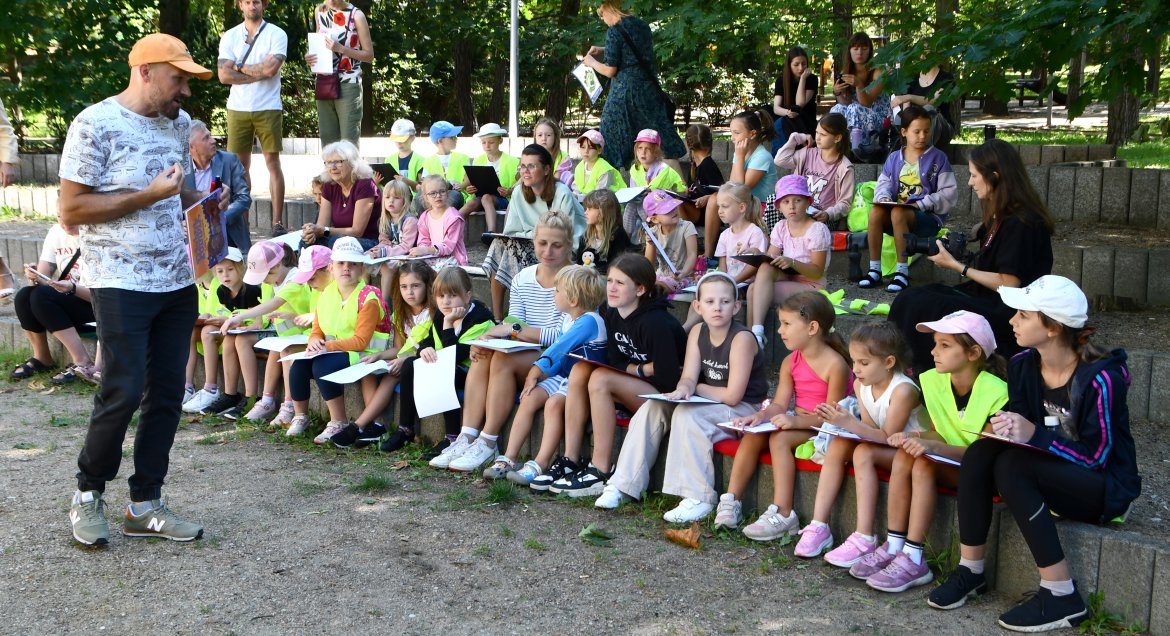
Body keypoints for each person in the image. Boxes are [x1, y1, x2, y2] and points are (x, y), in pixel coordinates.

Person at [58, 33, 221, 545]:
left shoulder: (176, 126)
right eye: (178, 80)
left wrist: (207, 209)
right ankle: (87, 495)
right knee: (124, 389)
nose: (186, 93)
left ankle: (145, 504)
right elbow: (72, 210)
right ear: (146, 71)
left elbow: (174, 193)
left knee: (170, 393)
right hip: (120, 281)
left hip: (176, 281)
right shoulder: (94, 124)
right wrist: (149, 195)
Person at [930, 277, 1140, 633]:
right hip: (1048, 470)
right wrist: (1004, 426)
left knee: (1013, 465)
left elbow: (1098, 457)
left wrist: (1036, 435)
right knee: (981, 452)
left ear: (1054, 327)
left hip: (1103, 488)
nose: (1012, 321)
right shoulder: (1024, 362)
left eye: (1023, 316)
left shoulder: (1102, 379)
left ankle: (1061, 594)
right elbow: (1022, 420)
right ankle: (971, 571)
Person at [851, 311, 1007, 593]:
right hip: (949, 460)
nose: (933, 351)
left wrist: (931, 445)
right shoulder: (934, 380)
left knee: (922, 464)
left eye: (945, 345)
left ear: (973, 353)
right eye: (935, 343)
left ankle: (913, 557)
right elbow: (938, 430)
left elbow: (984, 455)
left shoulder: (997, 391)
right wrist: (914, 436)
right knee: (906, 453)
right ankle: (895, 546)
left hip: (981, 471)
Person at [595, 271, 767, 515]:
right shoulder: (697, 332)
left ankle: (699, 497)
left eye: (725, 302)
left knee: (688, 416)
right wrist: (683, 390)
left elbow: (733, 396)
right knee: (653, 407)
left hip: (744, 408)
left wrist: (695, 388)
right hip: (708, 401)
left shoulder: (742, 339)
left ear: (737, 306)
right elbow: (687, 376)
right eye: (709, 302)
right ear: (697, 306)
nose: (717, 308)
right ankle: (624, 484)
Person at [889, 139, 1054, 371]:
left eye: (974, 175)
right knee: (911, 297)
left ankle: (916, 372)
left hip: (1010, 308)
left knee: (926, 305)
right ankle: (900, 368)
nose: (970, 182)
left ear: (995, 176)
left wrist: (958, 267)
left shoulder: (1022, 223)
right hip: (988, 297)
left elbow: (1010, 283)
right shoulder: (1002, 215)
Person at [434, 210, 576, 471]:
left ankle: (488, 442)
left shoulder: (575, 280)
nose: (548, 251)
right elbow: (511, 326)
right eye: (543, 243)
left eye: (557, 245)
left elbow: (563, 337)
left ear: (569, 245)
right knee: (483, 352)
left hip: (556, 362)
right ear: (534, 241)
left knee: (501, 358)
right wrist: (494, 336)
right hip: (525, 352)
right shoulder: (523, 277)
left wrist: (515, 331)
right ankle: (467, 437)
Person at [548, 254, 686, 497]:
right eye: (610, 280)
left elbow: (668, 380)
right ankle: (571, 458)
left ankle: (600, 469)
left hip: (664, 400)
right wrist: (640, 369)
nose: (611, 288)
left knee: (601, 378)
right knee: (582, 369)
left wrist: (632, 374)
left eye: (620, 283)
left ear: (641, 289)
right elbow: (615, 360)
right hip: (638, 386)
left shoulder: (656, 323)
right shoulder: (610, 313)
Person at [718, 291, 851, 533]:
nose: (780, 330)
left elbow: (833, 418)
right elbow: (779, 404)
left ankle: (784, 512)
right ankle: (731, 500)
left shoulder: (835, 365)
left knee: (779, 439)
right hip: (800, 421)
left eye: (787, 324)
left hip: (823, 427)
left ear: (812, 327)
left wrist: (795, 421)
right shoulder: (791, 361)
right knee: (754, 433)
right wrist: (759, 417)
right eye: (781, 323)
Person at [462, 265, 607, 478]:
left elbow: (560, 348)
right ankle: (509, 458)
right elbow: (563, 358)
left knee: (553, 405)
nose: (554, 295)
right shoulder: (570, 319)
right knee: (529, 397)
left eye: (558, 291)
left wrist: (536, 370)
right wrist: (543, 376)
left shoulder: (589, 321)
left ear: (573, 300)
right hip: (563, 376)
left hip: (579, 383)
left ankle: (540, 463)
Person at [806, 322, 921, 563]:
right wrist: (839, 420)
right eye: (854, 361)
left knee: (863, 453)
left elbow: (889, 437)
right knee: (838, 444)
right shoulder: (861, 385)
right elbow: (869, 427)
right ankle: (818, 524)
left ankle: (865, 536)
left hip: (910, 453)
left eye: (864, 363)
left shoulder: (903, 391)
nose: (856, 369)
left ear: (889, 363)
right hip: (886, 446)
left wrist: (848, 422)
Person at [286, 237, 389, 444]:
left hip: (364, 353)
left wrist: (325, 347)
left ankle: (338, 421)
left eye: (352, 264)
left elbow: (361, 341)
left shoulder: (368, 297)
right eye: (341, 263)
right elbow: (317, 329)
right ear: (331, 268)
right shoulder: (327, 294)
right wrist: (315, 341)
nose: (346, 268)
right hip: (337, 350)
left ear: (362, 268)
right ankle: (300, 416)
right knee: (298, 366)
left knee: (322, 366)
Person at [334, 261, 439, 449]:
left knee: (392, 375)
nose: (410, 292)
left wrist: (404, 358)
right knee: (373, 367)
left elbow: (432, 345)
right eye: (404, 287)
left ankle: (359, 425)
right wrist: (380, 355)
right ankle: (372, 426)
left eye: (416, 286)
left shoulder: (433, 313)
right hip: (406, 360)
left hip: (428, 359)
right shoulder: (401, 313)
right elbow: (399, 348)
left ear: (427, 286)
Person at [858, 105, 957, 293]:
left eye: (926, 131)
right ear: (904, 132)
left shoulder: (939, 158)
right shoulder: (894, 158)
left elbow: (949, 193)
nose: (922, 136)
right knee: (877, 210)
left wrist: (921, 203)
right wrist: (884, 197)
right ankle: (874, 270)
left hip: (926, 219)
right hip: (899, 215)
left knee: (898, 211)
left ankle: (902, 272)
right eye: (916, 131)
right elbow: (883, 184)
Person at [481, 143, 585, 320]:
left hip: (564, 248)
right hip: (531, 243)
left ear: (546, 170)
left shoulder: (561, 193)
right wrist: (533, 237)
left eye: (531, 166)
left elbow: (567, 235)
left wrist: (535, 237)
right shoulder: (518, 193)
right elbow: (511, 231)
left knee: (510, 249)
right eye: (522, 166)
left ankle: (512, 316)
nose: (525, 171)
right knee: (499, 245)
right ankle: (497, 318)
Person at [401, 267, 495, 461]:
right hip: (446, 366)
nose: (445, 301)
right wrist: (423, 350)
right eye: (441, 296)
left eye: (452, 295)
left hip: (473, 374)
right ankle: (405, 429)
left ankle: (452, 437)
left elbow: (454, 356)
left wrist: (448, 323)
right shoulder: (441, 313)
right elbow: (429, 340)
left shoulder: (481, 320)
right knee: (410, 364)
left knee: (447, 372)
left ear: (467, 296)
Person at [581, 0, 686, 170]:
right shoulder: (642, 25)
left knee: (609, 134)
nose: (602, 18)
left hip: (624, 94)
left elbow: (610, 70)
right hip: (648, 90)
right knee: (661, 135)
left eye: (602, 14)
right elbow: (633, 51)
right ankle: (681, 187)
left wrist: (591, 61)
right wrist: (604, 49)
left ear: (610, 9)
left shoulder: (614, 31)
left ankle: (609, 184)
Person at [220, 241, 310, 423]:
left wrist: (238, 317)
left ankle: (288, 405)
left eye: (265, 275)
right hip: (283, 335)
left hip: (305, 334)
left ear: (277, 265)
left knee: (284, 349)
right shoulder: (270, 281)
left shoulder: (296, 279)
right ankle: (265, 400)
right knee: (271, 346)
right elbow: (265, 309)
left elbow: (274, 303)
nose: (263, 280)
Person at [217, 0, 287, 235]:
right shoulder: (230, 35)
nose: (252, 6)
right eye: (247, 2)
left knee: (272, 164)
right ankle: (243, 223)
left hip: (268, 106)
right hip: (238, 108)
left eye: (256, 1)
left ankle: (277, 224)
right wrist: (255, 70)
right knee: (239, 167)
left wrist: (238, 66)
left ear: (264, 4)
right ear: (239, 5)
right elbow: (223, 76)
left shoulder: (276, 33)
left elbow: (271, 70)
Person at [747, 175, 832, 349]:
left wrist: (792, 262)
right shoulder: (781, 227)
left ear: (808, 202)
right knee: (760, 274)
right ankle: (754, 334)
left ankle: (754, 335)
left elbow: (817, 271)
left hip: (811, 285)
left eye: (797, 200)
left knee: (753, 290)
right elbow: (770, 259)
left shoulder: (817, 229)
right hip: (788, 279)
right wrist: (758, 253)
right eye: (785, 202)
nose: (791, 206)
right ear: (779, 206)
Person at [11, 221, 98, 384]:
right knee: (24, 295)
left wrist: (72, 288)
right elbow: (43, 278)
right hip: (70, 295)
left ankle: (83, 362)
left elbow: (102, 296)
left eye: (71, 217)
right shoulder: (56, 232)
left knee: (41, 296)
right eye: (60, 216)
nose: (65, 223)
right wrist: (34, 276)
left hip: (99, 303)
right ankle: (43, 358)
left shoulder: (99, 234)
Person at [702, 109, 778, 260]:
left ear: (752, 134)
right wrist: (739, 155)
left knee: (726, 203)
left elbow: (740, 189)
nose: (732, 138)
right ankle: (708, 255)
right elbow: (731, 185)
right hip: (744, 202)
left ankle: (730, 256)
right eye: (732, 133)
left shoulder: (762, 156)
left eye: (736, 133)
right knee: (713, 200)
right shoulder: (739, 152)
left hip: (762, 206)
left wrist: (741, 156)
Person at [306, 0, 373, 145]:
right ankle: (330, 168)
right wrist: (310, 56)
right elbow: (319, 43)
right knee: (328, 141)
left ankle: (350, 169)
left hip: (348, 83)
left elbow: (369, 56)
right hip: (324, 81)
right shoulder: (320, 11)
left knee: (348, 143)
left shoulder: (357, 15)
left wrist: (341, 49)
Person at [773, 112, 855, 225]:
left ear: (837, 138)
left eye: (823, 135)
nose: (818, 137)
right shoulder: (808, 153)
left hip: (821, 217)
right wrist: (795, 138)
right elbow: (780, 160)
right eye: (817, 132)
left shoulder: (844, 167)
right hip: (798, 209)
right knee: (774, 201)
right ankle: (774, 240)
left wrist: (828, 214)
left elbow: (845, 203)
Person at [186, 120, 252, 253]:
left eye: (210, 135)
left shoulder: (229, 160)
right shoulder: (181, 169)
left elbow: (244, 198)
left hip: (230, 236)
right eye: (206, 138)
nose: (213, 140)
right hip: (194, 240)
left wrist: (220, 219)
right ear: (191, 147)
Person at [302, 140, 379, 250]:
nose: (332, 167)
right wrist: (312, 232)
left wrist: (323, 230)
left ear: (352, 163)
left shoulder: (365, 185)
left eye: (338, 162)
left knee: (337, 242)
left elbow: (357, 231)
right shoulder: (329, 186)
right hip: (339, 239)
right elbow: (321, 226)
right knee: (306, 243)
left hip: (370, 242)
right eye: (328, 162)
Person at [830, 32, 891, 153]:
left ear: (869, 51)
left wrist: (859, 84)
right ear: (850, 51)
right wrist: (838, 93)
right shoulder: (847, 71)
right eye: (855, 48)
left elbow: (866, 103)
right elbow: (845, 103)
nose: (859, 52)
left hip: (879, 119)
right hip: (856, 116)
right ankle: (837, 148)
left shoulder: (878, 71)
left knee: (854, 108)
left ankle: (856, 150)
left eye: (864, 48)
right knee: (837, 109)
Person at [459, 123, 518, 233]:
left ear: (500, 141)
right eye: (483, 142)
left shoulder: (513, 161)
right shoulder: (478, 160)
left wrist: (509, 191)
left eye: (491, 142)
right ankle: (449, 225)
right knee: (472, 203)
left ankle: (491, 232)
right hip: (481, 197)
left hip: (503, 199)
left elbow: (521, 184)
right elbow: (472, 180)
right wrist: (470, 189)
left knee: (486, 197)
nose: (487, 146)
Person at [891, 59, 956, 149]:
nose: (922, 56)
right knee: (901, 119)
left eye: (926, 51)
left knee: (928, 109)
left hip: (941, 129)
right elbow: (907, 111)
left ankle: (927, 154)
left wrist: (909, 97)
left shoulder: (946, 77)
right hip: (916, 131)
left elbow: (935, 100)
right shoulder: (912, 79)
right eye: (920, 52)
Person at [643, 189, 698, 293]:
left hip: (683, 278)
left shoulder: (686, 226)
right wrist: (650, 244)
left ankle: (656, 291)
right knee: (640, 282)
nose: (673, 211)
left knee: (661, 287)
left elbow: (692, 254)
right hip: (661, 275)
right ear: (655, 219)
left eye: (673, 206)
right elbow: (649, 264)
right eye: (667, 211)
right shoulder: (653, 232)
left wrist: (684, 272)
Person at [411, 174, 467, 267]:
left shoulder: (454, 217)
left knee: (438, 270)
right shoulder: (424, 217)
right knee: (413, 267)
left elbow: (449, 247)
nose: (438, 196)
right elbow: (423, 240)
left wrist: (428, 250)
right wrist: (421, 250)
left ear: (447, 193)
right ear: (425, 197)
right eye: (433, 193)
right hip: (433, 256)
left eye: (442, 191)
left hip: (452, 258)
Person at [772, 46, 819, 153]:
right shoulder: (781, 81)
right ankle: (780, 152)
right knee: (769, 111)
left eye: (804, 64)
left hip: (806, 120)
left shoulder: (812, 79)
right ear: (789, 65)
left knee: (788, 120)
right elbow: (776, 108)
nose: (801, 68)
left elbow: (799, 103)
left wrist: (802, 79)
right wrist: (787, 112)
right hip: (787, 118)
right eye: (796, 64)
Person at [577, 189, 631, 273]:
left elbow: (617, 267)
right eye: (586, 208)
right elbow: (579, 262)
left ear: (603, 211)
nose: (585, 212)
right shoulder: (586, 236)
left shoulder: (618, 236)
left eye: (590, 209)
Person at [420, 120, 470, 211]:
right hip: (435, 196)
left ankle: (442, 221)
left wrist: (462, 185)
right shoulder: (429, 161)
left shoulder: (463, 158)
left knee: (451, 197)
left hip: (457, 193)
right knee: (420, 198)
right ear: (440, 141)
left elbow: (468, 179)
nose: (456, 139)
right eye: (452, 137)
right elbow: (425, 183)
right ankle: (424, 223)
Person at [572, 129, 626, 199]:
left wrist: (579, 198)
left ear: (599, 150)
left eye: (591, 148)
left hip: (605, 205)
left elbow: (600, 195)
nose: (586, 151)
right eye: (583, 147)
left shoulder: (604, 169)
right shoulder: (579, 167)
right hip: (585, 202)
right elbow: (576, 188)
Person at [683, 123, 724, 213]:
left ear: (687, 143)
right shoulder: (694, 165)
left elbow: (723, 193)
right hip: (695, 209)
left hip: (705, 213)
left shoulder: (707, 165)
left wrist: (707, 198)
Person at [386, 118, 425, 190]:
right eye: (396, 139)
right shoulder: (389, 159)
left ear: (412, 138)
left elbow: (424, 188)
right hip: (394, 199)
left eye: (402, 139)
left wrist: (408, 182)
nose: (399, 142)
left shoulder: (420, 160)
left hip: (413, 200)